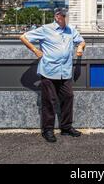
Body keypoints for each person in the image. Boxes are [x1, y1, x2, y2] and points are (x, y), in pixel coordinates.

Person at [20, 8, 85, 143]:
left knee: (68, 97)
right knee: (49, 101)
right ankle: (47, 130)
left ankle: (66, 127)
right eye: (65, 16)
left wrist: (79, 48)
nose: (67, 19)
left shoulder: (70, 30)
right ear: (57, 16)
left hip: (65, 71)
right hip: (49, 71)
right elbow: (23, 37)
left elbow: (81, 41)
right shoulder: (46, 29)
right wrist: (35, 50)